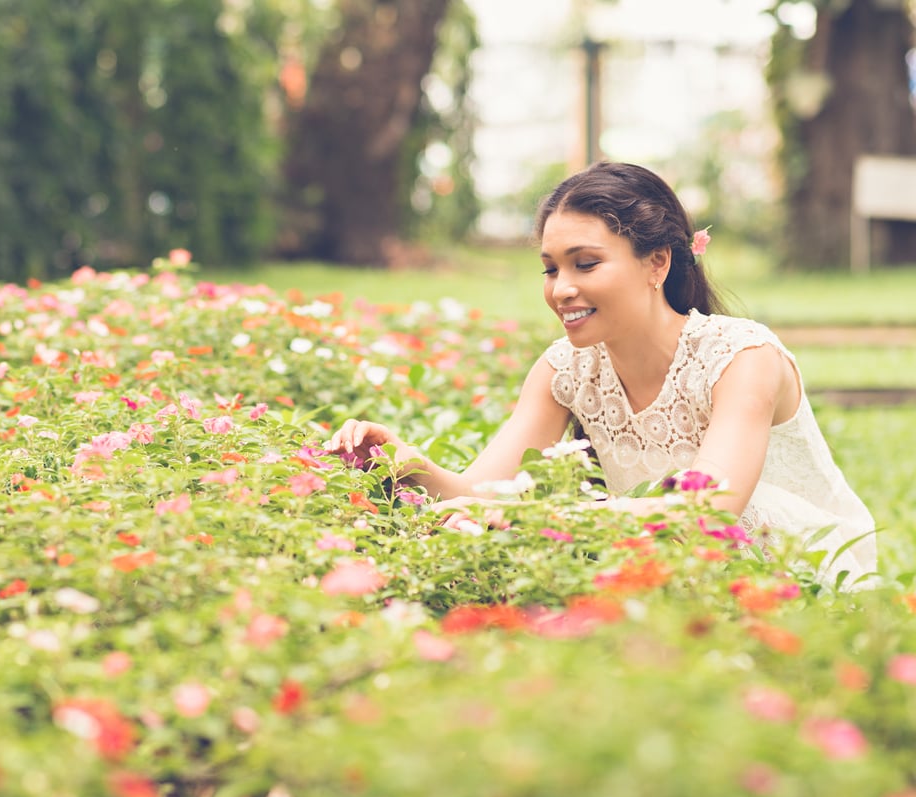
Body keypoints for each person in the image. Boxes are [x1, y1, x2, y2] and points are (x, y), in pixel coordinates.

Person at [326, 161, 877, 587]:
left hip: (792, 574)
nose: (561, 288)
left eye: (584, 264)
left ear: (657, 262)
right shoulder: (564, 370)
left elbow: (710, 512)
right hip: (659, 573)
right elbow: (480, 492)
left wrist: (540, 517)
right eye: (550, 268)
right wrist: (398, 460)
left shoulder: (742, 358)